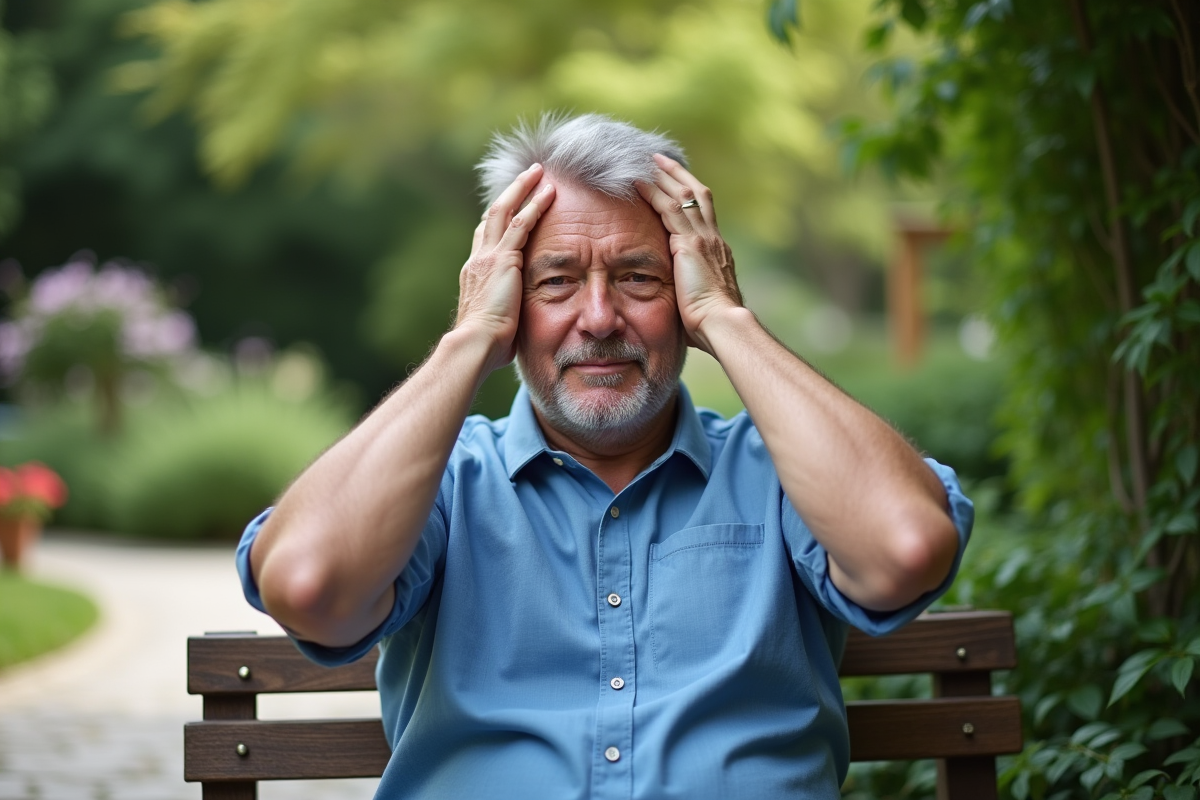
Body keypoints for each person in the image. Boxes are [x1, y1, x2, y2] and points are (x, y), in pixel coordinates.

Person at [235, 113, 973, 800]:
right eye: (555, 281)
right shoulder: (443, 484)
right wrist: (467, 340)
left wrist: (727, 317)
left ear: (686, 291)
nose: (598, 318)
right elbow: (309, 586)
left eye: (638, 277)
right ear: (508, 300)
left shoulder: (778, 473)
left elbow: (903, 550)